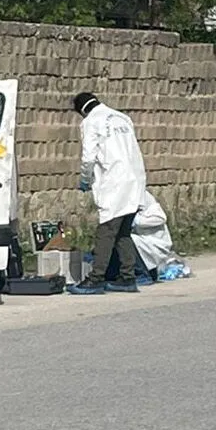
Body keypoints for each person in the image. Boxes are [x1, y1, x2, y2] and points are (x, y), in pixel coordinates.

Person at [68, 92, 148, 295]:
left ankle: (96, 278)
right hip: (134, 179)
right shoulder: (122, 118)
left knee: (106, 232)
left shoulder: (91, 122)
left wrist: (85, 179)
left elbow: (88, 157)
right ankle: (127, 277)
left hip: (115, 182)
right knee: (123, 232)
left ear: (82, 111)